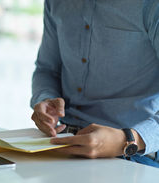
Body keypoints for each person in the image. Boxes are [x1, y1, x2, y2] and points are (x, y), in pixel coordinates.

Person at [31, 0, 159, 167]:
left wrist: (127, 139)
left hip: (131, 152)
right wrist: (46, 98)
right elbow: (47, 69)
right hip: (61, 141)